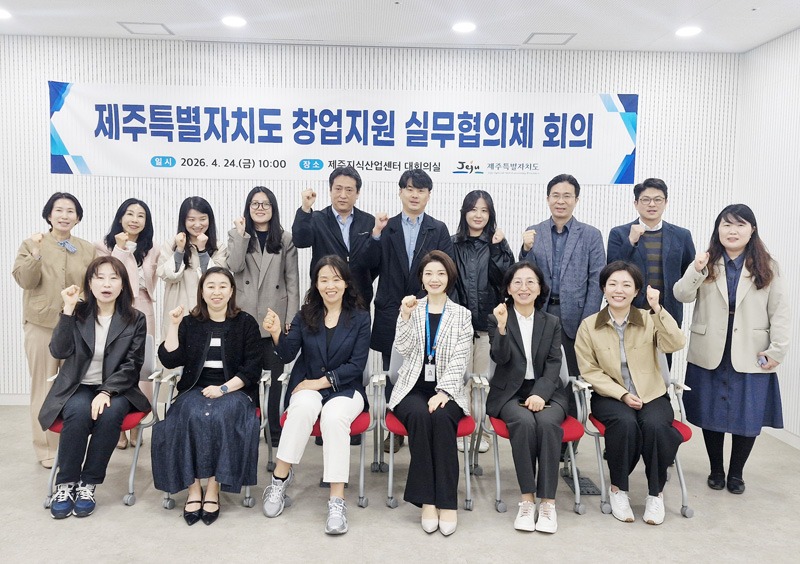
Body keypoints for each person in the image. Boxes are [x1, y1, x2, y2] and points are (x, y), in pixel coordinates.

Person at [673, 204, 790, 495]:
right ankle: (716, 469)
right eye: (726, 225)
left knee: (747, 415)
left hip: (751, 350)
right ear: (718, 230)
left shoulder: (767, 266)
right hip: (710, 349)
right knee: (710, 413)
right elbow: (681, 295)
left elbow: (780, 311)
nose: (732, 231)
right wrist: (696, 269)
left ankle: (736, 473)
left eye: (740, 225)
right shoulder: (706, 261)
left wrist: (777, 350)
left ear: (752, 230)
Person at [260, 255, 370, 535]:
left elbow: (356, 365)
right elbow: (287, 353)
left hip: (345, 388)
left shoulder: (360, 317)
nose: (330, 285)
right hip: (307, 385)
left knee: (334, 417)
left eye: (336, 279)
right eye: (324, 280)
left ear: (346, 283)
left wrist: (321, 382)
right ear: (316, 284)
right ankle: (279, 480)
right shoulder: (305, 314)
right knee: (301, 409)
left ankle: (336, 500)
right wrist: (276, 333)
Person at [575, 261, 686, 525]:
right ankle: (618, 489)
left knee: (656, 426)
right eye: (612, 284)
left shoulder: (649, 319)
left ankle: (655, 494)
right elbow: (589, 371)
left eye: (626, 285)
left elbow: (676, 342)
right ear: (603, 288)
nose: (619, 290)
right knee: (624, 423)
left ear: (636, 291)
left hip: (651, 393)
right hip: (610, 396)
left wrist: (657, 308)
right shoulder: (589, 326)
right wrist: (622, 394)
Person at [38, 256, 148, 519]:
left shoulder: (135, 319)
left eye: (113, 278)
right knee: (77, 412)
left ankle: (88, 484)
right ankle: (66, 484)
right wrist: (67, 310)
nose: (106, 284)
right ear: (89, 283)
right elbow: (59, 350)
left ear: (123, 285)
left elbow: (132, 364)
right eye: (100, 278)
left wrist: (106, 391)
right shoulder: (77, 313)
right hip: (78, 385)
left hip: (118, 388)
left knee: (110, 414)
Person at [152, 267, 261, 526]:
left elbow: (252, 368)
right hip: (194, 389)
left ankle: (213, 488)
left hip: (234, 390)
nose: (216, 292)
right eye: (210, 286)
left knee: (221, 416)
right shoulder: (190, 323)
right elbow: (170, 359)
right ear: (201, 291)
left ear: (231, 291)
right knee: (188, 415)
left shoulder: (245, 323)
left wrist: (223, 389)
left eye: (223, 286)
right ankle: (193, 489)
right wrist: (173, 325)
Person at [388, 251, 473, 536]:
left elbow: (461, 359)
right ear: (421, 279)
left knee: (442, 418)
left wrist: (445, 391)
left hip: (448, 389)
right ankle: (427, 501)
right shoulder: (413, 307)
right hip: (412, 387)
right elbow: (402, 348)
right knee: (420, 417)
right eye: (428, 274)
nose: (434, 279)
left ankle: (447, 502)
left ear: (449, 277)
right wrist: (404, 315)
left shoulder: (462, 315)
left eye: (440, 273)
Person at [372, 169, 455, 452]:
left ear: (429, 195)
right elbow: (369, 266)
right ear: (400, 192)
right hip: (390, 311)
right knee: (392, 372)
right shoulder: (387, 227)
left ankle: (424, 422)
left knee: (425, 371)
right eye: (409, 189)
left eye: (421, 190)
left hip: (428, 312)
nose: (415, 195)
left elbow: (447, 272)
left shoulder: (438, 229)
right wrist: (374, 235)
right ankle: (394, 430)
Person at [13, 192, 96, 468]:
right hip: (42, 325)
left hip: (77, 326)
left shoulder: (86, 248)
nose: (64, 215)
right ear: (48, 215)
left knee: (75, 387)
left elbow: (93, 284)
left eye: (70, 211)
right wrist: (36, 254)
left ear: (78, 217)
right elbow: (26, 281)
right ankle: (46, 448)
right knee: (44, 387)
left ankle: (71, 446)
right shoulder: (31, 244)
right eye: (58, 210)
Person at [486, 261, 568, 533]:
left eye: (530, 282)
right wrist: (501, 327)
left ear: (540, 288)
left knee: (547, 423)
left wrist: (540, 394)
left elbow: (554, 363)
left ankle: (548, 503)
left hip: (548, 390)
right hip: (510, 392)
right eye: (517, 282)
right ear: (508, 288)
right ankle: (527, 500)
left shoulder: (551, 322)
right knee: (522, 422)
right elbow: (500, 358)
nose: (524, 287)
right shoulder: (497, 317)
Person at [228, 186, 300, 447]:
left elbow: (292, 281)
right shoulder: (237, 235)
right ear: (248, 208)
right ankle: (247, 428)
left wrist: (290, 318)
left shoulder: (284, 238)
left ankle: (275, 433)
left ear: (273, 208)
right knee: (247, 377)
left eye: (265, 204)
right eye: (255, 204)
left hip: (274, 319)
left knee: (276, 380)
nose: (260, 208)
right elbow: (234, 266)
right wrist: (241, 235)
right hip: (244, 318)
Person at [607, 178, 695, 367]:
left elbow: (688, 274)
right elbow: (611, 272)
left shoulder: (681, 235)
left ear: (666, 202)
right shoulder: (619, 233)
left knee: (663, 368)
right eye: (646, 199)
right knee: (627, 367)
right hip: (630, 312)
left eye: (658, 199)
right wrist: (630, 242)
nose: (652, 204)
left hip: (666, 314)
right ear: (636, 203)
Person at [452, 189, 514, 453]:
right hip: (459, 327)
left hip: (488, 327)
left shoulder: (498, 243)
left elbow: (507, 280)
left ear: (491, 214)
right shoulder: (452, 243)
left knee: (483, 382)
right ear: (464, 212)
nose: (478, 215)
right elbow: (446, 282)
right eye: (473, 209)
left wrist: (498, 247)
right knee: (459, 381)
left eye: (484, 210)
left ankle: (480, 432)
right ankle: (463, 429)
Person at [95, 198, 160, 449]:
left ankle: (137, 423)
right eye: (130, 214)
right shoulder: (103, 246)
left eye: (141, 215)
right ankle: (117, 427)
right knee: (114, 364)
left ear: (146, 221)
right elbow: (112, 276)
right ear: (120, 217)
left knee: (142, 364)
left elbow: (150, 281)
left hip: (144, 307)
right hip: (115, 308)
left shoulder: (152, 249)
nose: (135, 219)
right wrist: (121, 249)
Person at [291, 166, 381, 305]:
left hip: (358, 298)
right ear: (330, 190)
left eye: (349, 190)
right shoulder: (317, 219)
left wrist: (361, 278)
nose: (343, 195)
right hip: (324, 297)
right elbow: (300, 241)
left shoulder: (369, 222)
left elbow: (374, 263)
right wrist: (305, 209)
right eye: (338, 189)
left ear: (357, 193)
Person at [157, 196, 228, 338]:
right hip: (177, 308)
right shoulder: (171, 244)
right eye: (191, 219)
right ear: (183, 221)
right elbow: (169, 276)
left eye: (202, 219)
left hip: (208, 310)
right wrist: (179, 250)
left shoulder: (218, 247)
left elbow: (215, 279)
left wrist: (202, 251)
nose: (197, 224)